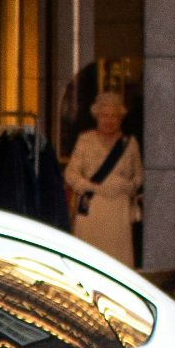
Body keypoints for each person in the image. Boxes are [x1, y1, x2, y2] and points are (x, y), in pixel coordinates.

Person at [65, 91, 144, 267]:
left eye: (114, 116)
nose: (109, 121)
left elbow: (139, 176)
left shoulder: (129, 144)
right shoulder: (85, 140)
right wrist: (89, 186)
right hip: (92, 207)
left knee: (117, 262)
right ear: (97, 116)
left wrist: (128, 186)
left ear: (120, 118)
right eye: (104, 116)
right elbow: (71, 173)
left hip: (118, 209)